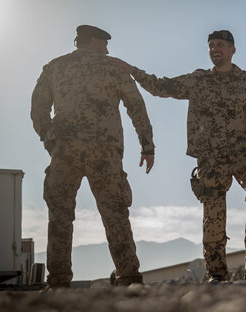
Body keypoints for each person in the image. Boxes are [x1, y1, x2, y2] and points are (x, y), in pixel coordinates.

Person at [111, 30, 246, 282]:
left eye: (220, 45)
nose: (215, 49)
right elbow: (162, 87)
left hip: (244, 154)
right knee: (213, 212)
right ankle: (216, 272)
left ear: (232, 49)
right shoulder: (198, 80)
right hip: (211, 158)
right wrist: (134, 71)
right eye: (211, 45)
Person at [31, 25, 155, 288]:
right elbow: (136, 106)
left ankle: (59, 283)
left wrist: (49, 140)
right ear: (95, 43)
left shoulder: (55, 67)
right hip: (105, 151)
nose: (108, 49)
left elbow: (38, 108)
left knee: (60, 216)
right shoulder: (113, 67)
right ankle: (129, 278)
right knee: (115, 214)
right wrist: (147, 146)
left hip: (65, 150)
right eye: (104, 44)